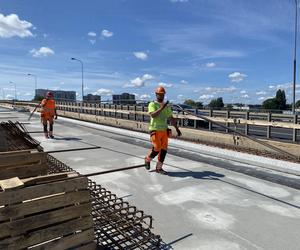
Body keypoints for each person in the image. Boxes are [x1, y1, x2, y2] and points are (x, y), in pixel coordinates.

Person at [145, 86, 182, 174]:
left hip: (164, 130)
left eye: (162, 94)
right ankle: (147, 159)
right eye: (159, 94)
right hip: (155, 129)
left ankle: (159, 168)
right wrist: (163, 107)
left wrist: (177, 129)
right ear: (156, 94)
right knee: (157, 148)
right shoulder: (152, 104)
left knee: (164, 150)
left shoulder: (167, 106)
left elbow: (171, 118)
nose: (161, 96)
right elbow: (153, 115)